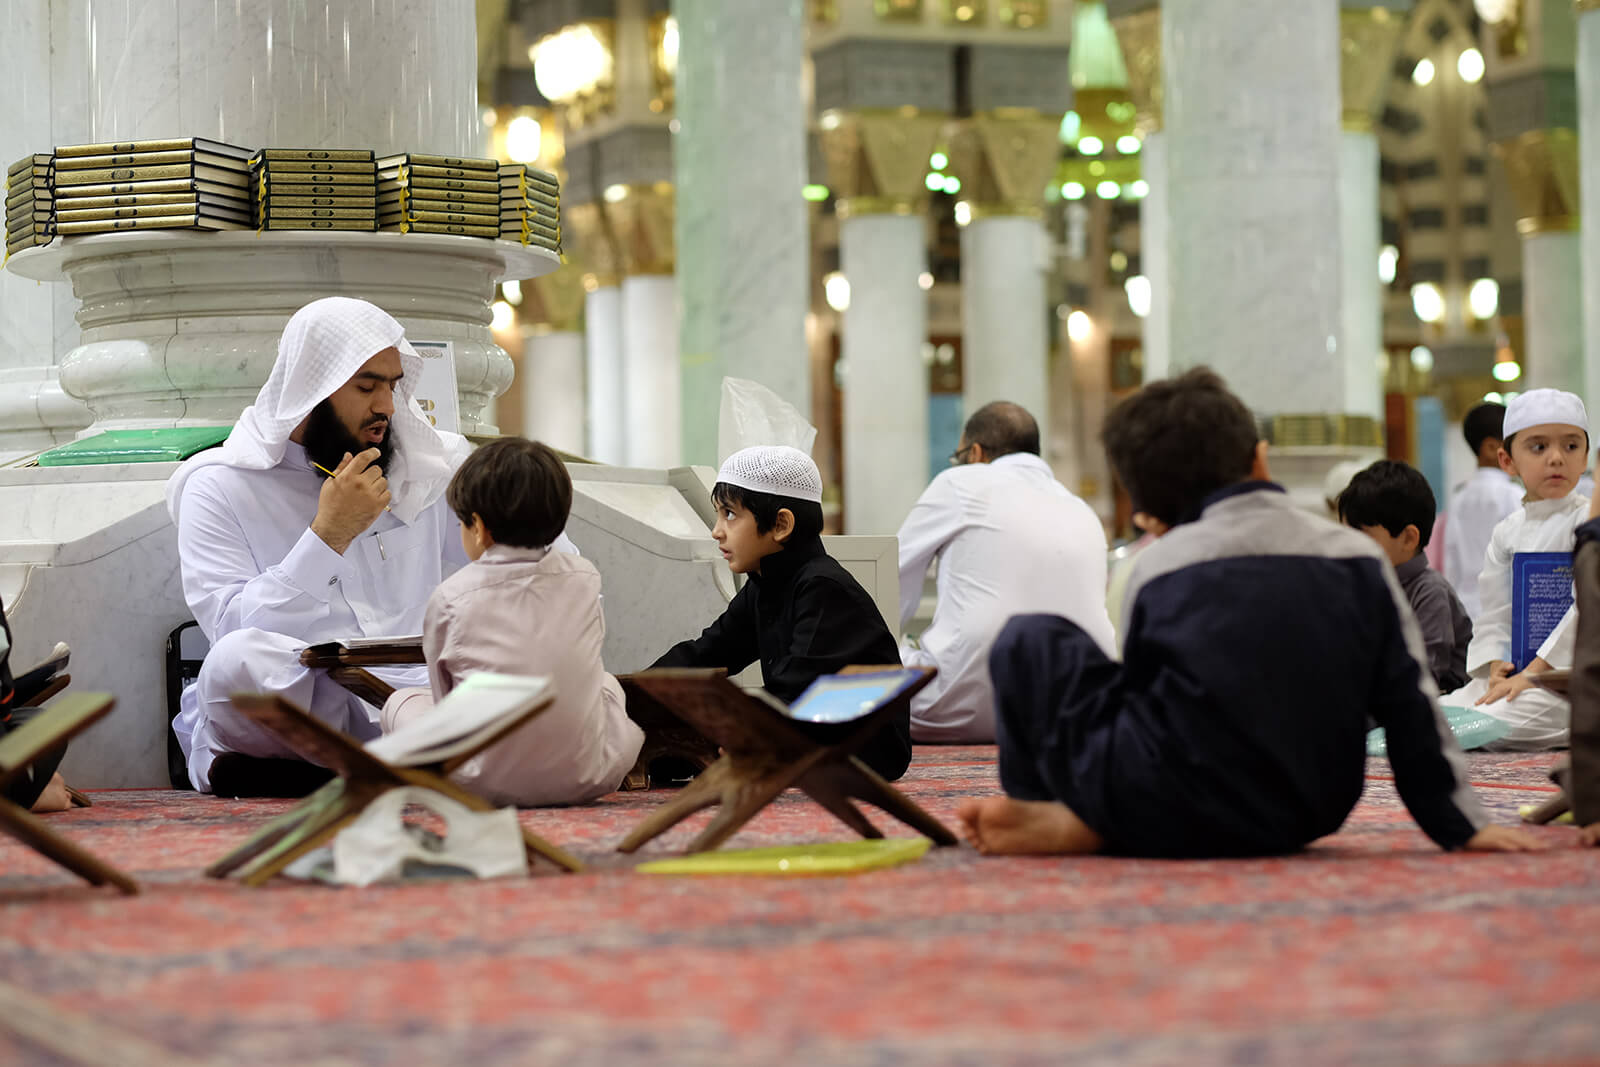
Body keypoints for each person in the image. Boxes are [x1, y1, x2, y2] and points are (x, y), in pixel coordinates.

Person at [956, 367, 1541, 858]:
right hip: (1312, 804)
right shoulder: (1356, 558)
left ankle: (1051, 809)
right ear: (1261, 458)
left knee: (1032, 638)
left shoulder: (1161, 567)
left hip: (1172, 799)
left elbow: (1147, 704)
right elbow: (1410, 704)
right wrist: (1464, 826)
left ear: (1150, 512)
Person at [167, 297, 572, 796]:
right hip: (312, 706)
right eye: (367, 386)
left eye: (392, 385)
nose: (385, 405)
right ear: (310, 388)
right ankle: (405, 766)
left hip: (426, 695)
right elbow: (228, 626)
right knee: (236, 663)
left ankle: (352, 773)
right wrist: (328, 536)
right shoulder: (221, 485)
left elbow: (543, 561)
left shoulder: (429, 465)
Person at [380, 438, 643, 806]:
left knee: (402, 702)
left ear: (480, 528)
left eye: (461, 522)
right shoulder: (585, 577)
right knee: (606, 682)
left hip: (477, 782)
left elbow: (445, 693)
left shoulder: (451, 595)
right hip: (588, 773)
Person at [652, 445, 910, 780]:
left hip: (862, 751)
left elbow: (795, 689)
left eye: (729, 514)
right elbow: (707, 653)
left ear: (781, 524)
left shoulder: (823, 588)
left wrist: (738, 733)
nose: (717, 530)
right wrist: (634, 694)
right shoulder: (765, 585)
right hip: (801, 733)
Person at [896, 401, 1114, 743]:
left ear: (976, 452)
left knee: (877, 666)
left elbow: (890, 585)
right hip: (1077, 704)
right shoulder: (1080, 507)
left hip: (964, 706)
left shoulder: (958, 482)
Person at [1454, 389, 1590, 749]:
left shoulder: (1589, 522)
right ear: (1507, 460)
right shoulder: (1507, 531)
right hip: (1520, 677)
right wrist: (1497, 665)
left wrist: (1533, 676)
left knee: (1496, 721)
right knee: (1445, 707)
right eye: (1539, 447)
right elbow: (1496, 612)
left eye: (1571, 446)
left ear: (1586, 456)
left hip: (1572, 682)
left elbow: (1584, 613)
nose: (1557, 458)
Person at [1337, 460, 1471, 694]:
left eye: (1362, 537)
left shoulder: (1429, 591)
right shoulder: (1361, 587)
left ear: (1408, 539)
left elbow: (1421, 677)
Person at [1444, 402, 1524, 618]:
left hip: (1465, 608)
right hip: (1504, 610)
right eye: (1515, 444)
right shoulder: (1512, 495)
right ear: (1490, 448)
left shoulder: (1458, 498)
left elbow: (1450, 561)